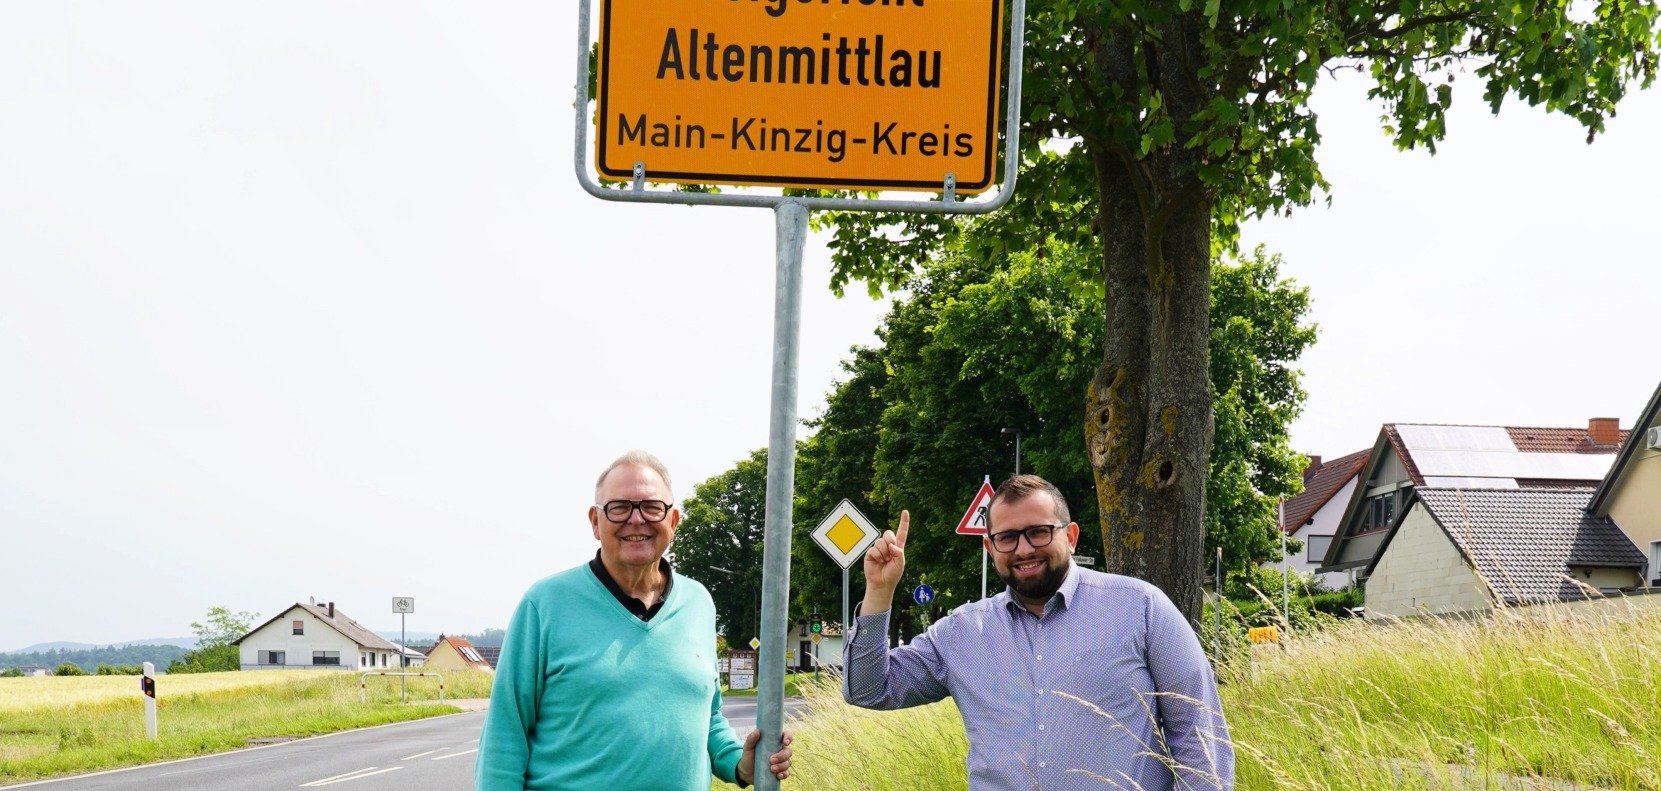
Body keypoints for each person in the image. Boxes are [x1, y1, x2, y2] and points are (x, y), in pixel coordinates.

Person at [843, 474, 1233, 791]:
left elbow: (1198, 736)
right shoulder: (962, 634)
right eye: (1008, 537)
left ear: (1071, 536)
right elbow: (868, 689)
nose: (1024, 549)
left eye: (1040, 532)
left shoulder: (1141, 608)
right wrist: (880, 591)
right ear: (990, 549)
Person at [477, 450, 792, 791]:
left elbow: (708, 715)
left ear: (673, 521)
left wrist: (740, 764)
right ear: (595, 522)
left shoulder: (698, 602)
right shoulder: (544, 604)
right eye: (619, 507)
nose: (636, 520)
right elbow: (504, 737)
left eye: (651, 507)